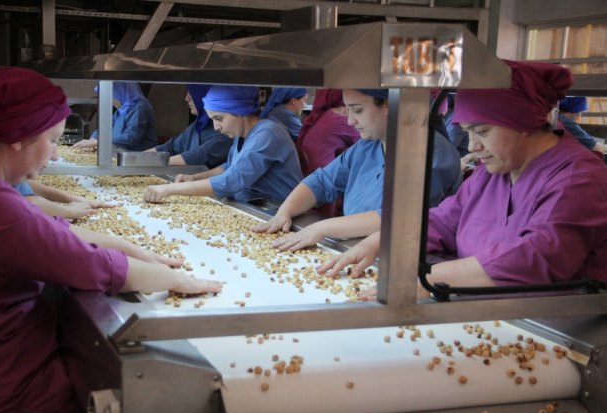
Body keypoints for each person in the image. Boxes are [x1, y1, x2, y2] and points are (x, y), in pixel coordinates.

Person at [0, 66, 221, 413]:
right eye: (52, 141)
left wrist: (131, 247)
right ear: (18, 138)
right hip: (5, 398)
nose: (54, 156)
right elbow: (88, 265)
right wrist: (176, 279)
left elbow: (45, 231)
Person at [319, 60, 607, 293]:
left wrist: (426, 281)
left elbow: (534, 259)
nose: (472, 147)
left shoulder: (580, 181)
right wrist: (380, 241)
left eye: (482, 132)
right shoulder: (494, 172)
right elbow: (443, 220)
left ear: (525, 124)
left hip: (553, 328)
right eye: (467, 132)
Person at [253, 89, 462, 252]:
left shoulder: (432, 154)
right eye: (348, 110)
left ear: (389, 105)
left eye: (358, 110)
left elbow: (398, 218)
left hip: (399, 259)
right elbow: (323, 181)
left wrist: (322, 228)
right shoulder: (367, 147)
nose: (350, 121)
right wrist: (285, 212)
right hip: (353, 250)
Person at [143, 85, 303, 204]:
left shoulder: (268, 133)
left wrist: (169, 189)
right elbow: (229, 167)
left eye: (219, 119)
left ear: (240, 111)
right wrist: (195, 177)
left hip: (277, 209)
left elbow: (232, 180)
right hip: (254, 203)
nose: (216, 127)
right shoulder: (242, 134)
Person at [146, 84, 232, 168]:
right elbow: (171, 147)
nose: (186, 98)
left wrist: (148, 162)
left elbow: (196, 157)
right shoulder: (199, 124)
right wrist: (141, 157)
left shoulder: (225, 133)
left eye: (192, 92)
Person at [72, 81, 158, 152]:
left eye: (111, 97)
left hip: (137, 156)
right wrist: (92, 139)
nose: (110, 102)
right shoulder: (121, 109)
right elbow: (106, 128)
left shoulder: (140, 108)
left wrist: (97, 142)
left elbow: (131, 138)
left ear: (120, 92)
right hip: (119, 152)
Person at [296, 89, 360, 176]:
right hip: (328, 178)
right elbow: (369, 145)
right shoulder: (339, 120)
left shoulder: (320, 116)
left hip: (313, 177)